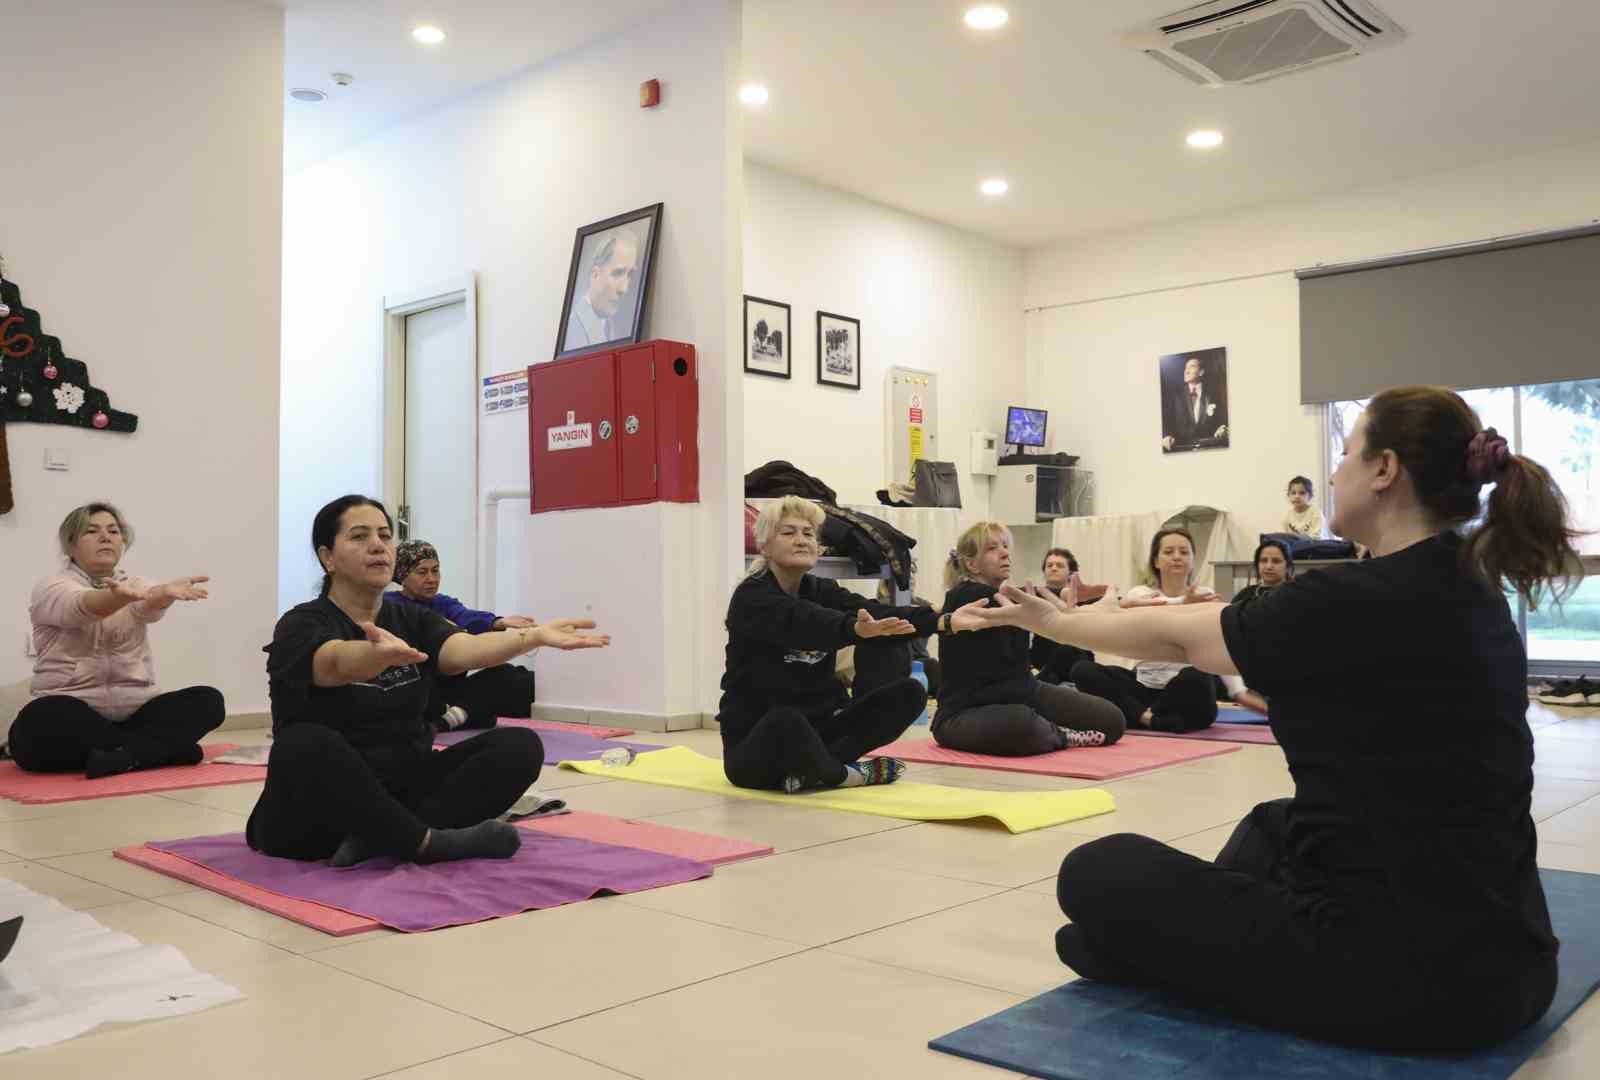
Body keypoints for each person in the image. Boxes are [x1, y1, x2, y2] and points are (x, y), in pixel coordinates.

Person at [961, 388, 1579, 1052]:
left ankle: (1166, 951)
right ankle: (1172, 946)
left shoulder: (1347, 598)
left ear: (1384, 470)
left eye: (1346, 454)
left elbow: (1179, 638)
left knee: (1095, 870)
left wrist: (1055, 621)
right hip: (1517, 968)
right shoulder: (1477, 590)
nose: (1335, 472)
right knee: (1275, 823)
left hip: (1409, 984)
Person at [249, 495, 608, 866]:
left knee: (519, 746)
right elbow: (333, 662)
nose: (378, 545)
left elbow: (464, 649)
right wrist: (373, 656)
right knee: (304, 741)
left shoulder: (411, 618)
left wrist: (531, 637)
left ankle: (384, 838)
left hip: (402, 787)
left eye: (384, 535)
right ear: (328, 557)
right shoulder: (301, 623)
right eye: (359, 536)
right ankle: (424, 842)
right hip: (315, 813)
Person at [719, 496, 968, 793]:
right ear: (764, 546)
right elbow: (806, 620)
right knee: (786, 720)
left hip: (819, 732)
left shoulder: (820, 589)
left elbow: (876, 611)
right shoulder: (751, 597)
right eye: (788, 532)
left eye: (808, 533)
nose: (801, 540)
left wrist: (943, 620)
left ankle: (811, 771)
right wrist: (853, 628)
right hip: (756, 747)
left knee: (910, 694)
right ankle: (845, 775)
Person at [8, 503, 223, 778]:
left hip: (134, 714)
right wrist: (119, 597)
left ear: (123, 542)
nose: (105, 537)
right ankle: (158, 751)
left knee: (207, 700)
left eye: (113, 531)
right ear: (71, 544)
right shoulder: (52, 587)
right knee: (40, 719)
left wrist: (163, 594)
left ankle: (124, 755)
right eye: (92, 531)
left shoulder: (135, 585)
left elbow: (149, 603)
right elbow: (83, 606)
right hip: (74, 714)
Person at [934, 526, 1124, 756]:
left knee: (1111, 720)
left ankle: (1049, 732)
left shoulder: (1008, 596)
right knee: (1023, 724)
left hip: (1024, 692)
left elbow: (1030, 596)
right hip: (964, 712)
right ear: (972, 564)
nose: (1005, 553)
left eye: (1005, 546)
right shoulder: (964, 596)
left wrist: (1092, 599)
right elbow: (1023, 596)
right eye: (992, 548)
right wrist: (1065, 595)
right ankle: (1060, 735)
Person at [1065, 528, 1227, 732]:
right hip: (1143, 687)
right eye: (1168, 552)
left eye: (1184, 552)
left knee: (1199, 676)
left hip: (1184, 688)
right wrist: (1183, 603)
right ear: (1156, 561)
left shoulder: (1204, 594)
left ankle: (1139, 715)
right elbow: (1149, 618)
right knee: (1083, 670)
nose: (1177, 557)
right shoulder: (1140, 593)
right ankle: (1151, 718)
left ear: (1193, 560)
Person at [385, 540, 537, 732]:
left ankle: (449, 717)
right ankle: (457, 715)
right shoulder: (389, 605)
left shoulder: (443, 603)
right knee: (483, 714)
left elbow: (466, 617)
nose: (432, 579)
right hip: (417, 688)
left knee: (512, 676)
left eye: (435, 570)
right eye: (422, 572)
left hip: (450, 688)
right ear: (402, 576)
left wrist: (497, 622)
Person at [564, 228, 640, 350]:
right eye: (617, 273)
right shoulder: (573, 329)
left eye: (630, 274)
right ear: (595, 274)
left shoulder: (609, 325)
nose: (624, 289)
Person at [1031, 548, 1096, 684]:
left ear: (1071, 573)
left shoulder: (1083, 597)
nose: (1054, 568)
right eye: (1049, 565)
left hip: (1075, 660)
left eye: (1059, 565)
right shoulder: (1034, 594)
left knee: (1068, 650)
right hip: (1042, 660)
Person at [1162, 354, 1228, 452]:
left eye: (1191, 366)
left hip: (1209, 447)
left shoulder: (1213, 393)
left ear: (1201, 372)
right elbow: (1166, 419)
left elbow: (1222, 419)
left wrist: (1223, 428)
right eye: (1185, 368)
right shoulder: (1175, 395)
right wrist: (1166, 435)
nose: (1186, 371)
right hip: (1181, 448)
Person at [1231, 538, 1294, 607]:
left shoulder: (1295, 594)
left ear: (1288, 566)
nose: (1269, 566)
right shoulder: (1245, 594)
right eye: (1264, 560)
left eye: (1276, 561)